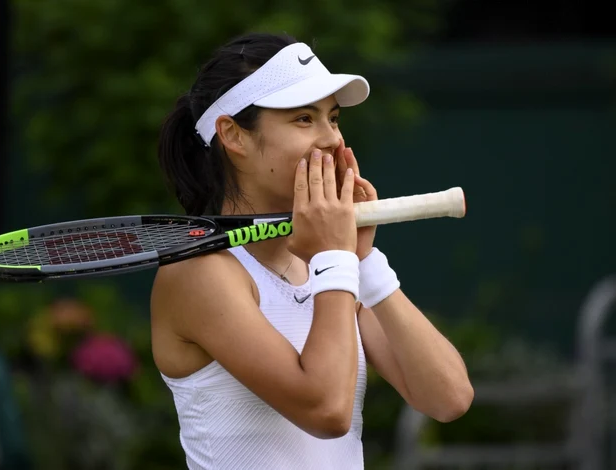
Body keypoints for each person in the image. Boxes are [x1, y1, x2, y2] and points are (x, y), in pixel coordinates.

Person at [151, 32, 473, 470]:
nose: (331, 140)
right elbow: (327, 411)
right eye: (304, 119)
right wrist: (337, 261)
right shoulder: (199, 273)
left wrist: (363, 261)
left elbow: (448, 397)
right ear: (233, 135)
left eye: (334, 118)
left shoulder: (329, 269)